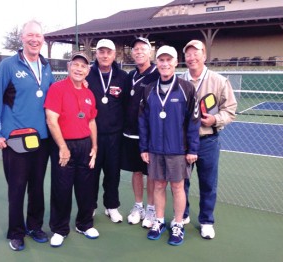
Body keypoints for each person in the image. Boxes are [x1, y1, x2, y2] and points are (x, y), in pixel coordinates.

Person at [0, 20, 54, 251]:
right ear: (22, 39)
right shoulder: (8, 65)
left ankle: (34, 226)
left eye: (39, 36)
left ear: (43, 40)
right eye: (30, 35)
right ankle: (16, 232)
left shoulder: (46, 66)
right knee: (17, 188)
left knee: (37, 186)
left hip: (42, 139)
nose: (35, 39)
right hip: (15, 140)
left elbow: (53, 97)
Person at [139, 45, 200, 246]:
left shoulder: (187, 88)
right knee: (157, 185)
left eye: (169, 60)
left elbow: (193, 120)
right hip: (155, 149)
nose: (165, 64)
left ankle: (178, 224)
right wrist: (144, 147)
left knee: (177, 186)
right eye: (161, 60)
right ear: (157, 63)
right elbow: (143, 121)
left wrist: (192, 149)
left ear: (175, 62)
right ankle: (158, 221)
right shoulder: (148, 89)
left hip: (177, 150)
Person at [181, 40, 237, 239]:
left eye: (196, 53)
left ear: (204, 55)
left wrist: (215, 119)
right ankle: (183, 214)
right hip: (183, 143)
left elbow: (230, 110)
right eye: (188, 54)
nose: (192, 57)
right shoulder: (178, 80)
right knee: (181, 182)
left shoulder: (219, 81)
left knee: (208, 183)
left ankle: (206, 221)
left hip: (208, 141)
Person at [44, 52, 99, 247]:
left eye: (83, 66)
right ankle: (60, 229)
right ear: (68, 66)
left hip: (84, 146)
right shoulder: (57, 89)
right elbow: (51, 120)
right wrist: (62, 147)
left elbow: (91, 120)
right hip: (63, 145)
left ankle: (84, 224)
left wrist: (94, 146)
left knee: (86, 188)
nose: (79, 69)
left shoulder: (89, 93)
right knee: (62, 188)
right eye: (75, 64)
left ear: (88, 71)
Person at [86, 39, 128, 223]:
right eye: (101, 51)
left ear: (114, 55)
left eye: (108, 52)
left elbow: (127, 105)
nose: (104, 55)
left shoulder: (123, 77)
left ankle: (111, 206)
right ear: (96, 54)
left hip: (115, 136)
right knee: (91, 173)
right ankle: (90, 206)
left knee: (113, 173)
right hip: (91, 136)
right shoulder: (87, 75)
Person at [121, 37, 160, 228]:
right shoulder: (130, 76)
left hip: (150, 136)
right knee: (136, 172)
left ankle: (152, 208)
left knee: (151, 173)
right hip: (130, 134)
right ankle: (138, 206)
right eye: (135, 49)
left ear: (150, 52)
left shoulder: (157, 74)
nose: (138, 52)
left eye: (142, 49)